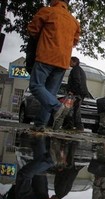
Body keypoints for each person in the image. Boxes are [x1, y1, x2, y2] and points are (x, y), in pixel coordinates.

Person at [27, 0, 80, 132]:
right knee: (50, 92)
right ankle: (40, 124)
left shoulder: (48, 11)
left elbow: (32, 30)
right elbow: (75, 41)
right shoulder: (74, 21)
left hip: (46, 56)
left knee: (35, 85)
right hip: (63, 62)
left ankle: (57, 107)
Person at [62, 56, 89, 131]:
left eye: (70, 61)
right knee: (73, 109)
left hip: (76, 93)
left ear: (74, 62)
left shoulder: (75, 70)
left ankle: (77, 125)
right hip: (80, 93)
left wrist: (72, 91)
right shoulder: (80, 70)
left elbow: (77, 81)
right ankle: (71, 124)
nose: (69, 63)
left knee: (73, 109)